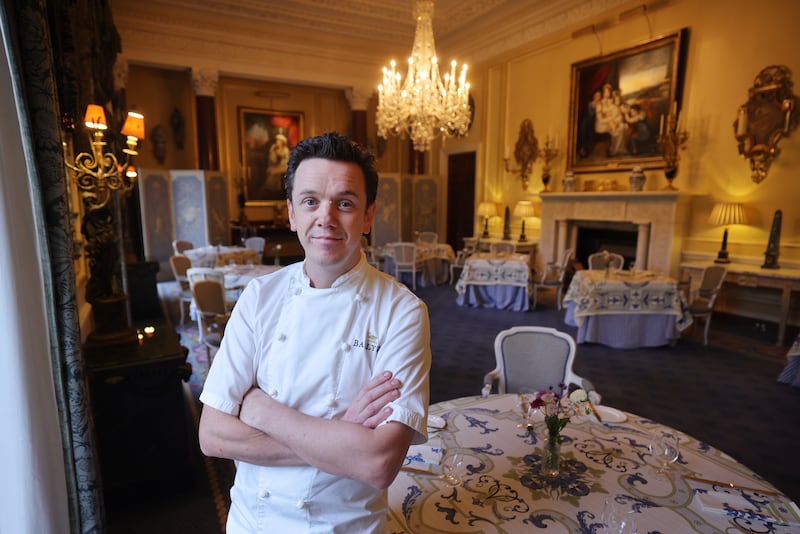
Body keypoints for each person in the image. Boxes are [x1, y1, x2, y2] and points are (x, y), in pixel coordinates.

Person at [198, 132, 432, 532]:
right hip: (252, 521)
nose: (326, 217)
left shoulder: (402, 312)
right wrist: (344, 436)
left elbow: (377, 464)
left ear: (368, 215)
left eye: (345, 203)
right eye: (310, 201)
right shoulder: (259, 298)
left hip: (346, 525)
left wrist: (261, 410)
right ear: (292, 214)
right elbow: (214, 436)